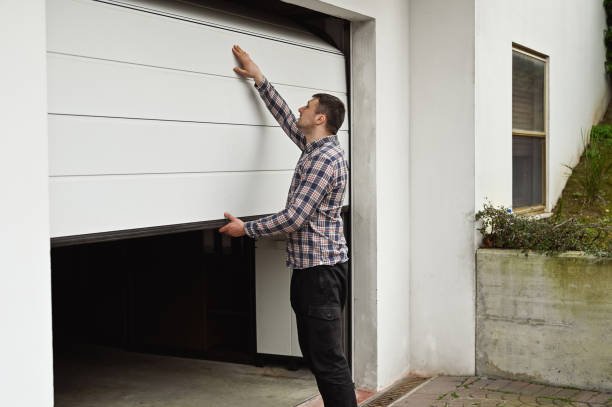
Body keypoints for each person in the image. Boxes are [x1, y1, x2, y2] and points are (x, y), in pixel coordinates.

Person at [219, 45, 357, 407]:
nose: (300, 108)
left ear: (320, 119)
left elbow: (295, 217)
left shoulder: (321, 161)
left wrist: (244, 230)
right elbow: (285, 118)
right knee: (319, 358)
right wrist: (259, 77)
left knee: (328, 362)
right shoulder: (316, 148)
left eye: (307, 107)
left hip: (320, 275)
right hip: (313, 271)